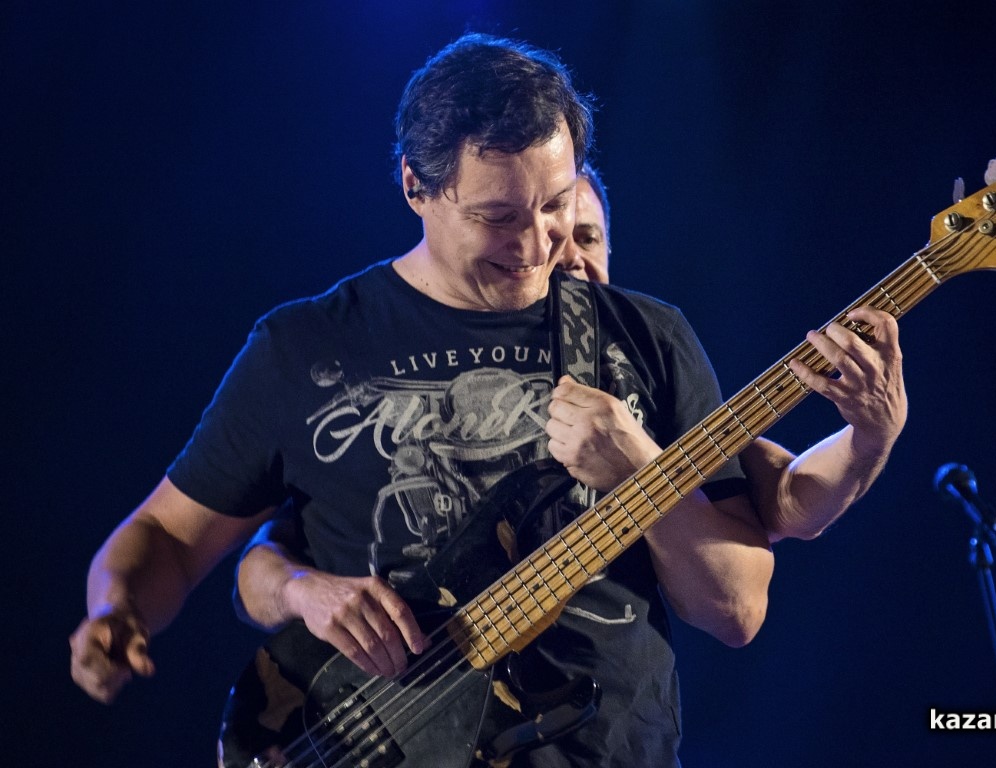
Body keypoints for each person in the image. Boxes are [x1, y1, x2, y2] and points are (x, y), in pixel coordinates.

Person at [70, 33, 906, 767]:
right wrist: (116, 611)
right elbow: (165, 538)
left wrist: (639, 470)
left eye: (555, 204)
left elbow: (732, 609)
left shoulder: (646, 337)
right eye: (497, 217)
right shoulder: (306, 344)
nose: (536, 243)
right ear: (415, 186)